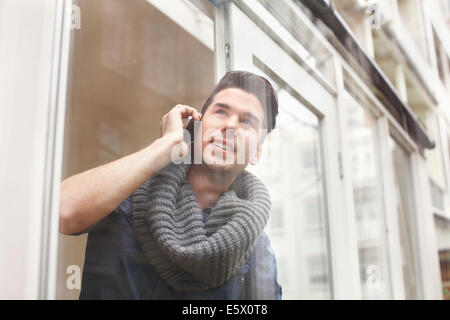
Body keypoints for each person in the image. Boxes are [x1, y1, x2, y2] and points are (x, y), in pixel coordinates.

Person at [59, 70, 282, 299]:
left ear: (256, 153)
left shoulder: (254, 246)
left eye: (247, 121)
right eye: (221, 112)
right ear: (197, 125)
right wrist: (167, 145)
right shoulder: (128, 194)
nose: (231, 127)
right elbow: (61, 210)